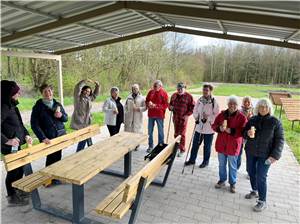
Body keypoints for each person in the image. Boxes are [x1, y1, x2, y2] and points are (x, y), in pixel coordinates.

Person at [243, 98, 284, 212]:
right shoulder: (252, 119)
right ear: (257, 108)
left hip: (266, 155)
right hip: (251, 151)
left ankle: (262, 200)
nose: (263, 109)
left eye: (265, 107)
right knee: (251, 172)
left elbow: (280, 140)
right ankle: (254, 190)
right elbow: (243, 133)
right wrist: (247, 133)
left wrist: (275, 156)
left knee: (261, 176)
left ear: (269, 108)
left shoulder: (275, 122)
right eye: (261, 106)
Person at [1, 80, 33, 206]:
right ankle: (11, 196)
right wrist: (7, 141)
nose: (19, 93)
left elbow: (19, 124)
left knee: (20, 169)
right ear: (8, 93)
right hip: (9, 147)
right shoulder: (3, 106)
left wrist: (26, 135)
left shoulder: (12, 105)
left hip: (17, 144)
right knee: (13, 170)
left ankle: (18, 189)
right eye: (16, 91)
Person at [31, 84, 68, 185]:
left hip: (60, 135)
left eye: (49, 91)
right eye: (45, 91)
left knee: (58, 156)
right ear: (42, 94)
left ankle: (55, 177)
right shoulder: (38, 107)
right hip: (48, 138)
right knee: (51, 157)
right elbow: (34, 125)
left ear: (52, 92)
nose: (48, 93)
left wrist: (61, 116)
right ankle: (47, 180)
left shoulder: (57, 104)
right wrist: (42, 137)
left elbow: (66, 118)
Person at [212, 95, 247, 193]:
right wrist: (219, 128)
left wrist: (231, 131)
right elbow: (214, 125)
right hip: (222, 144)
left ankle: (232, 183)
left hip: (233, 146)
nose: (232, 106)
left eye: (234, 104)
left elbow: (243, 131)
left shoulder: (242, 117)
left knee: (232, 166)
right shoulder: (222, 114)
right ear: (228, 104)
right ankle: (222, 180)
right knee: (221, 165)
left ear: (238, 105)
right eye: (230, 104)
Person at [185, 84, 219, 167]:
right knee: (195, 144)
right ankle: (192, 160)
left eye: (207, 90)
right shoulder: (200, 99)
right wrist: (196, 117)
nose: (205, 92)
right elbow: (195, 110)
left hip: (209, 129)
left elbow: (217, 115)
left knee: (207, 146)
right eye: (204, 90)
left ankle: (205, 162)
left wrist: (208, 118)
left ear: (210, 91)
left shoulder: (214, 101)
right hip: (199, 127)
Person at [71, 79, 100, 152]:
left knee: (87, 137)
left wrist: (97, 86)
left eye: (89, 91)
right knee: (83, 138)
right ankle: (79, 152)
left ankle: (87, 151)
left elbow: (95, 94)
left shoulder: (89, 98)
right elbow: (77, 88)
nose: (87, 92)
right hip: (79, 122)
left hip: (87, 122)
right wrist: (83, 81)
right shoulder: (78, 98)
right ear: (82, 90)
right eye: (86, 91)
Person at [169, 82, 195, 157]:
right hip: (175, 118)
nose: (179, 90)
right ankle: (176, 147)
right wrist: (170, 107)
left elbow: (193, 107)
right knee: (176, 133)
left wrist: (187, 115)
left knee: (182, 134)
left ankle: (182, 149)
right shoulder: (174, 95)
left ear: (184, 88)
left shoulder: (189, 96)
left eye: (181, 88)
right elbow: (170, 104)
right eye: (178, 88)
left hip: (183, 119)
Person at [145, 80, 169, 153]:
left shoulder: (164, 93)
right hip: (151, 114)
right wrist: (148, 104)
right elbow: (146, 100)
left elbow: (166, 105)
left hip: (159, 115)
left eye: (156, 86)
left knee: (160, 131)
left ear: (160, 86)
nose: (154, 88)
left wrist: (156, 106)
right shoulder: (151, 92)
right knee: (149, 131)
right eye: (154, 86)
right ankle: (150, 146)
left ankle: (160, 146)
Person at [237, 96, 253, 170]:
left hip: (250, 136)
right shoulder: (239, 111)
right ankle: (236, 167)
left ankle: (249, 171)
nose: (246, 103)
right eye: (245, 101)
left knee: (249, 154)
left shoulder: (253, 112)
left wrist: (250, 119)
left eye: (248, 102)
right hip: (240, 135)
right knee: (238, 152)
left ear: (250, 103)